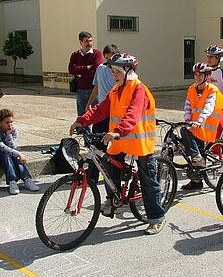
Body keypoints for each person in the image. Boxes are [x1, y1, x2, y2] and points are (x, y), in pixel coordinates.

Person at [70, 53, 166, 235]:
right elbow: (100, 109)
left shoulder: (138, 89)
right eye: (112, 71)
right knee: (108, 163)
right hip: (120, 139)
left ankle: (156, 218)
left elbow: (133, 113)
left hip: (139, 141)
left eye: (116, 71)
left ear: (127, 72)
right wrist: (81, 121)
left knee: (148, 180)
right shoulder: (116, 90)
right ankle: (113, 198)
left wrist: (117, 131)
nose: (113, 75)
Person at [180, 62, 223, 190]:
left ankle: (197, 158)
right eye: (196, 74)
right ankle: (196, 182)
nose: (198, 77)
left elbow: (208, 108)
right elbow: (188, 105)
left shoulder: (212, 90)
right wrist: (187, 119)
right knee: (191, 149)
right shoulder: (192, 89)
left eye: (201, 75)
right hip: (195, 125)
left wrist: (199, 121)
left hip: (205, 125)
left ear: (207, 76)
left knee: (186, 134)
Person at [85, 44, 120, 184]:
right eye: (106, 59)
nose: (108, 63)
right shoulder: (100, 69)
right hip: (102, 112)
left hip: (115, 113)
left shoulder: (119, 73)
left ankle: (116, 177)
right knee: (97, 146)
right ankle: (91, 177)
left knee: (116, 148)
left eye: (111, 59)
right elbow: (97, 87)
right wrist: (89, 103)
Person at [0, 109, 39, 195]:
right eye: (7, 122)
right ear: (0, 122)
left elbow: (13, 147)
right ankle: (12, 181)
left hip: (9, 152)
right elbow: (0, 146)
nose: (10, 125)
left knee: (13, 154)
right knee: (7, 155)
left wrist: (8, 135)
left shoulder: (13, 130)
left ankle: (27, 179)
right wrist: (19, 154)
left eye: (11, 122)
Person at [68, 31, 103, 118]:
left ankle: (96, 131)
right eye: (86, 41)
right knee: (82, 113)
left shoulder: (97, 54)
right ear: (80, 42)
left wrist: (80, 73)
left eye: (90, 41)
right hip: (81, 89)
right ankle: (83, 130)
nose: (89, 43)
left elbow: (96, 70)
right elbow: (71, 70)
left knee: (97, 112)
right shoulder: (75, 55)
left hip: (94, 88)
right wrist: (87, 67)